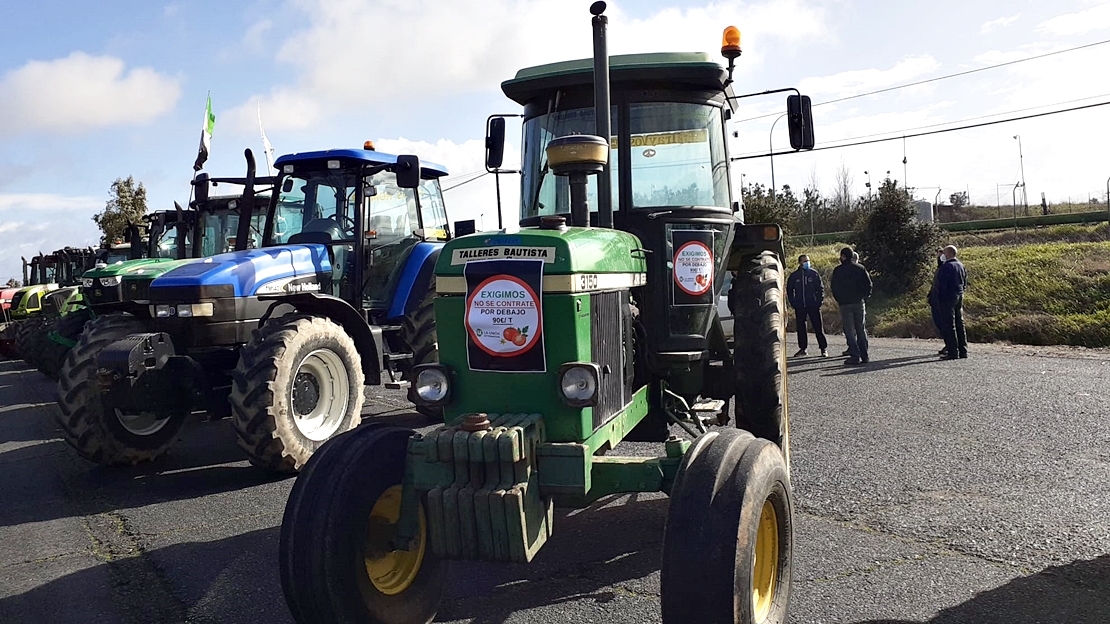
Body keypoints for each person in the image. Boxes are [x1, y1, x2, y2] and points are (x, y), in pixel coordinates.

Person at [831, 246, 873, 365]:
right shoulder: (860, 268)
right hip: (858, 302)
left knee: (849, 330)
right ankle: (865, 355)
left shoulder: (838, 270)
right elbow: (868, 284)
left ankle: (854, 355)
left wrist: (839, 299)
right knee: (861, 328)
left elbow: (834, 287)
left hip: (845, 304)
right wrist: (864, 296)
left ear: (843, 256)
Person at [786, 254, 828, 357]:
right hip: (800, 305)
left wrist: (819, 301)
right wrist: (793, 302)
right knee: (801, 327)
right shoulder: (794, 276)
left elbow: (820, 289)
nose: (807, 263)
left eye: (808, 261)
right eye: (805, 261)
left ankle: (823, 349)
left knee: (818, 327)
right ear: (800, 263)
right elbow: (789, 290)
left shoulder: (814, 274)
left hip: (813, 305)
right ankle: (803, 349)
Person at [935, 244, 968, 360]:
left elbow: (941, 284)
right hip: (959, 295)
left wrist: (939, 298)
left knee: (949, 325)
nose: (941, 255)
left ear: (948, 254)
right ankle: (963, 350)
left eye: (943, 253)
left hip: (947, 297)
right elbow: (965, 282)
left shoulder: (946, 267)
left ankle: (953, 351)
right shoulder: (960, 265)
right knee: (960, 323)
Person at [927, 248, 948, 356]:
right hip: (935, 300)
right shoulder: (940, 268)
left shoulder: (947, 268)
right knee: (939, 324)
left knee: (944, 324)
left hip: (942, 301)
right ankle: (948, 344)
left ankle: (950, 345)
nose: (939, 257)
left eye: (941, 255)